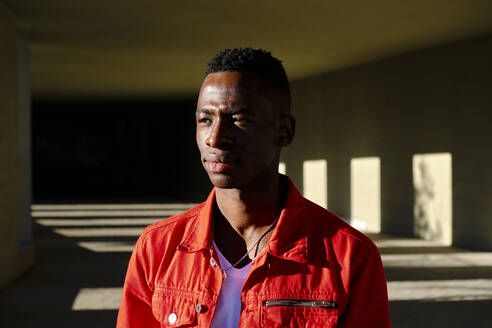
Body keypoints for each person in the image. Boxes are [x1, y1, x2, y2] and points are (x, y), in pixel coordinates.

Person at [117, 47, 391, 327]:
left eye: (239, 119)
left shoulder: (349, 256)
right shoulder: (158, 247)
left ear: (284, 132)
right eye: (205, 120)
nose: (215, 138)